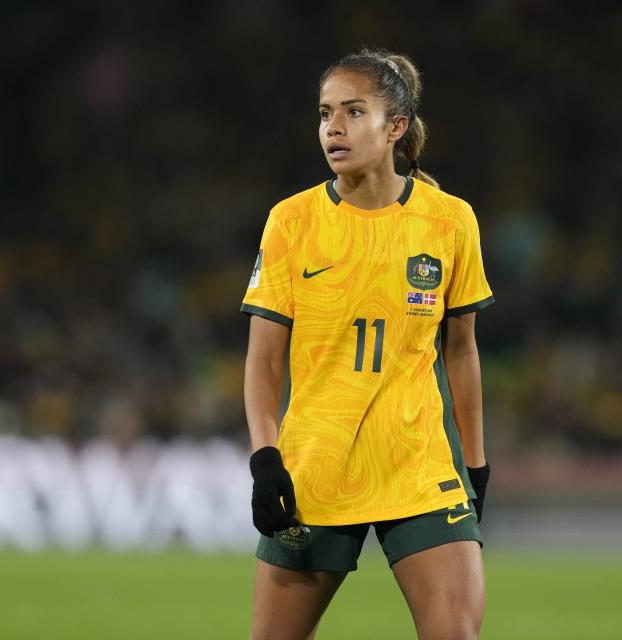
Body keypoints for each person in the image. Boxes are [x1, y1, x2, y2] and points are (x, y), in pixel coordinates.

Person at [241, 47, 494, 640]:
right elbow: (263, 358)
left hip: (419, 464)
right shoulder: (292, 221)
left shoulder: (450, 220)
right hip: (317, 469)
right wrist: (263, 458)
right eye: (326, 112)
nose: (334, 127)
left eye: (354, 112)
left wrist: (476, 465)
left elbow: (461, 351)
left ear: (396, 126)